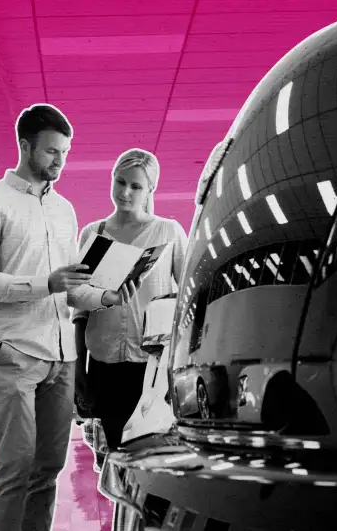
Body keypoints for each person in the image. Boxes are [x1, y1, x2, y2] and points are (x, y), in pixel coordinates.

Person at [0, 103, 93, 531]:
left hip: (61, 356)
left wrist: (105, 293)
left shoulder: (65, 210)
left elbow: (68, 285)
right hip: (13, 351)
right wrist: (47, 284)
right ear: (25, 146)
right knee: (14, 465)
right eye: (52, 151)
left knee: (49, 466)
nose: (60, 161)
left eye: (66, 152)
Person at [69, 148, 189, 467]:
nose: (125, 192)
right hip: (104, 367)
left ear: (150, 189)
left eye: (136, 186)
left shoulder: (169, 232)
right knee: (113, 460)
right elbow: (78, 307)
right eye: (120, 182)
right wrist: (78, 373)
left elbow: (191, 295)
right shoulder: (93, 233)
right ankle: (117, 517)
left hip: (153, 368)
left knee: (151, 459)